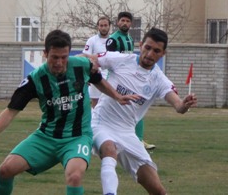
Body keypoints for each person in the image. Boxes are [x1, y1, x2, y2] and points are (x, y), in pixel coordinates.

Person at [0, 30, 138, 195]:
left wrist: (117, 96)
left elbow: (98, 81)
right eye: (54, 57)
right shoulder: (35, 79)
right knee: (5, 170)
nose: (59, 62)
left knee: (75, 176)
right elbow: (11, 111)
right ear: (45, 54)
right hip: (46, 138)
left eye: (64, 57)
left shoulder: (82, 66)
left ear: (69, 54)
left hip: (77, 137)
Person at [91, 27, 197, 194]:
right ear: (140, 45)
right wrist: (87, 63)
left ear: (163, 54)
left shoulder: (159, 79)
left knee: (158, 190)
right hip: (101, 123)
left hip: (127, 132)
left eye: (156, 51)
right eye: (147, 48)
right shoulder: (121, 60)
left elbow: (178, 106)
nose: (149, 54)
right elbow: (91, 59)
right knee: (110, 150)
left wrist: (184, 104)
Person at [106, 11, 155, 150]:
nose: (125, 23)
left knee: (137, 107)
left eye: (128, 21)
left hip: (130, 79)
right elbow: (109, 61)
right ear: (117, 22)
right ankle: (105, 138)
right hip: (117, 81)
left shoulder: (129, 38)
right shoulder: (113, 40)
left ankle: (137, 140)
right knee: (111, 110)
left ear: (131, 24)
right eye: (122, 20)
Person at [83, 16, 111, 108]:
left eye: (105, 25)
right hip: (96, 76)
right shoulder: (92, 41)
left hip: (111, 76)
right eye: (101, 25)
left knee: (109, 104)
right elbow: (85, 57)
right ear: (98, 27)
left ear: (109, 26)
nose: (103, 28)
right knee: (95, 104)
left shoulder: (113, 40)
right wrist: (87, 75)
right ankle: (94, 121)